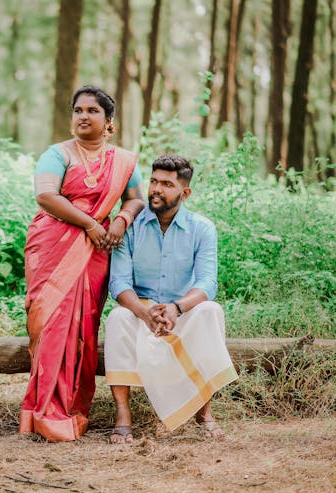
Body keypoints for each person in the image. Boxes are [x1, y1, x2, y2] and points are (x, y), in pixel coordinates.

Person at [20, 85, 145, 442]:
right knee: (51, 323)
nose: (83, 116)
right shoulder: (57, 154)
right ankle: (44, 410)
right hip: (53, 248)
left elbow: (135, 199)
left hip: (96, 251)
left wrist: (120, 220)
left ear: (109, 123)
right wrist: (90, 223)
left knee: (83, 327)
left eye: (92, 111)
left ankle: (72, 407)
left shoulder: (123, 160)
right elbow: (45, 195)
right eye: (78, 110)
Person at [104, 154, 238, 444]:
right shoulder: (131, 226)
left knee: (210, 311)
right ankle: (123, 416)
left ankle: (204, 412)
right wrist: (143, 312)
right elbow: (119, 282)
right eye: (153, 181)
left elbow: (206, 283)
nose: (156, 189)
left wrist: (177, 308)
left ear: (184, 192)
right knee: (117, 318)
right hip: (142, 310)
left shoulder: (202, 228)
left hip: (182, 311)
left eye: (167, 184)